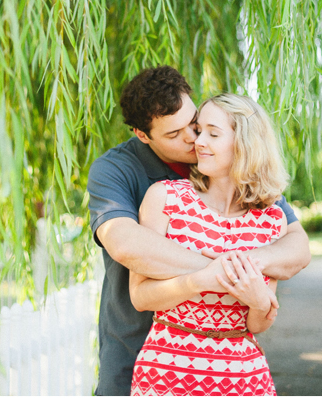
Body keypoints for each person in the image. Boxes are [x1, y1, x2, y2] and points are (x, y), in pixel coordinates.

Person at [86, 66, 310, 396]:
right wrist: (226, 272)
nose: (194, 139)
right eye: (175, 134)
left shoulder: (236, 176)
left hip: (228, 365)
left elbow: (297, 248)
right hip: (136, 344)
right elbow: (125, 244)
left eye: (194, 124)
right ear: (143, 136)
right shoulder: (118, 170)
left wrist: (247, 275)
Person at [129, 93, 288, 395]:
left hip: (243, 379)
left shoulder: (271, 219)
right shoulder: (166, 198)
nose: (198, 142)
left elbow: (257, 325)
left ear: (245, 143)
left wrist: (258, 302)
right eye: (199, 130)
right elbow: (140, 297)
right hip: (166, 375)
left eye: (213, 134)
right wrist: (199, 280)